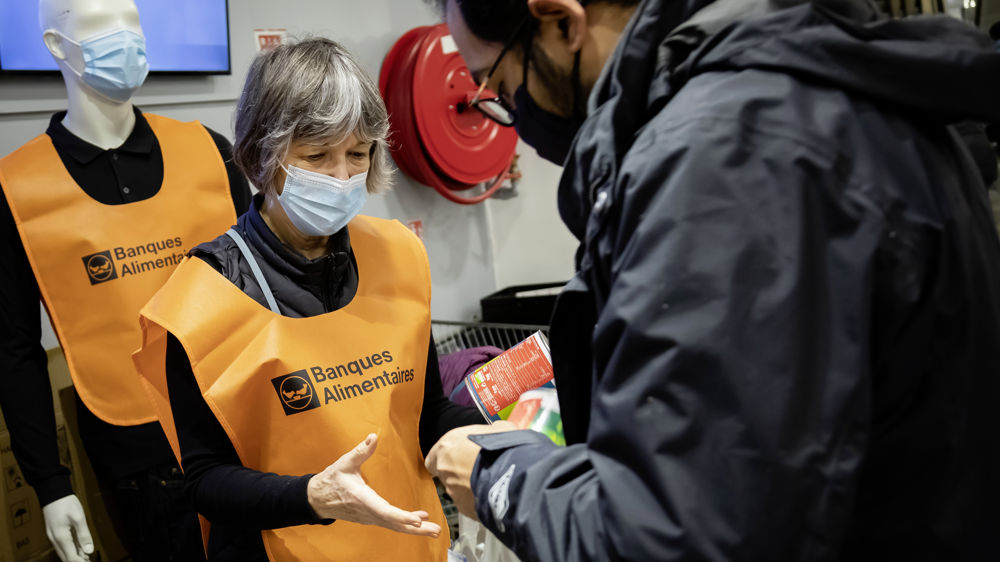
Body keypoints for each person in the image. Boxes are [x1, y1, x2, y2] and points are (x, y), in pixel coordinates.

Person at [425, 0, 1000, 560]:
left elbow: (675, 532)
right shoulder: (830, 92)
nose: (506, 111)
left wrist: (499, 475)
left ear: (560, 19)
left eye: (496, 85)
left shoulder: (727, 154)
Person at [131, 37, 492, 562]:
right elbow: (204, 480)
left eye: (358, 154)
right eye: (318, 156)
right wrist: (312, 496)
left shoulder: (399, 255)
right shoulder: (203, 297)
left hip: (409, 542)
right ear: (261, 155)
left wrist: (493, 433)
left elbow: (424, 411)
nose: (343, 176)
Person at [0, 1, 250, 560]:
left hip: (248, 424)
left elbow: (267, 288)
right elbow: (13, 349)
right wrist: (50, 483)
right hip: (139, 459)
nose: (122, 38)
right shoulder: (17, 189)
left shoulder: (211, 152)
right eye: (95, 25)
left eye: (131, 23)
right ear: (56, 46)